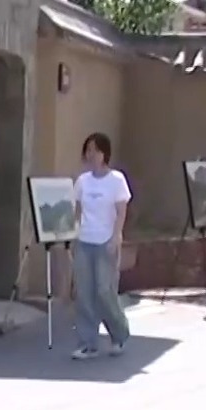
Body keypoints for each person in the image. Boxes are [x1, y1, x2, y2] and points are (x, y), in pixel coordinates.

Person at [70, 132, 133, 360]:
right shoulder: (82, 181)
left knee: (104, 291)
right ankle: (87, 343)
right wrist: (73, 235)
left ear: (105, 153)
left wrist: (116, 237)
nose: (91, 154)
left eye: (96, 150)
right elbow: (77, 211)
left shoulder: (116, 180)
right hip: (84, 241)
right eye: (88, 150)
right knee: (84, 293)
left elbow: (121, 211)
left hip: (106, 241)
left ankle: (119, 334)